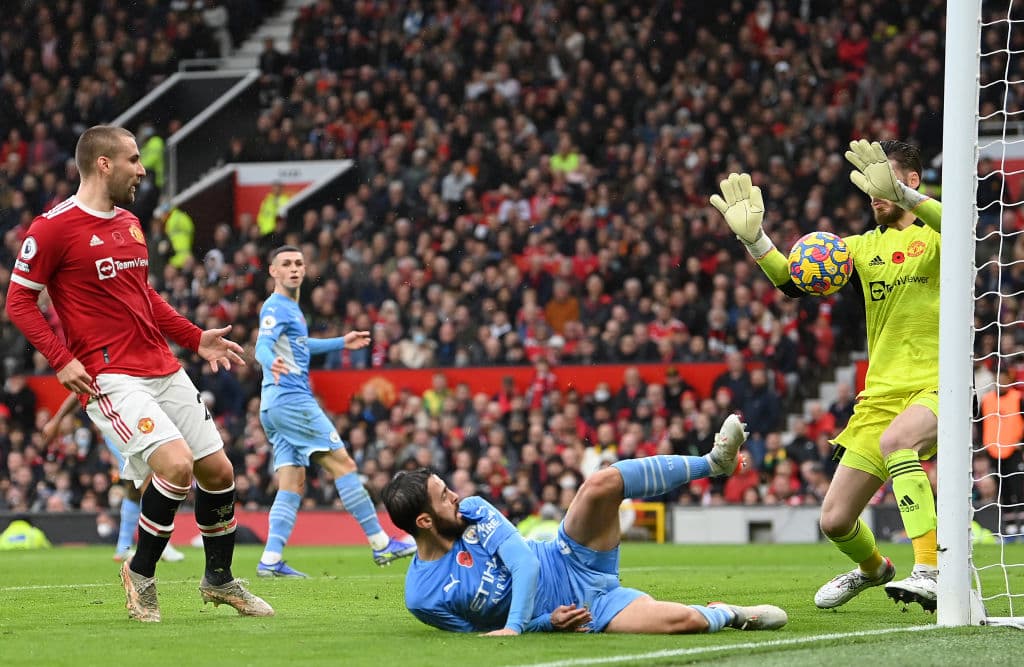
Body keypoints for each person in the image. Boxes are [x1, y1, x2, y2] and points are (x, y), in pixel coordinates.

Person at [5, 125, 272, 622]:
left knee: (219, 472)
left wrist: (194, 337)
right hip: (110, 376)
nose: (142, 169)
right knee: (175, 465)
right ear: (103, 163)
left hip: (162, 365)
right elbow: (19, 301)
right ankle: (140, 574)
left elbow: (143, 297)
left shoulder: (130, 222)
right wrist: (61, 359)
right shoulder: (52, 227)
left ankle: (219, 580)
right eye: (133, 159)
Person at [710, 140, 943, 611]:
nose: (872, 194)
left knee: (900, 444)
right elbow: (794, 282)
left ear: (910, 181)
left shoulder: (939, 235)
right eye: (869, 187)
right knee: (834, 521)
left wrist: (904, 196)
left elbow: (965, 226)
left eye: (881, 182)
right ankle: (875, 568)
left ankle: (931, 570)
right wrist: (756, 240)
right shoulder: (860, 247)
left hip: (938, 385)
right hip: (880, 396)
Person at [381, 414, 788, 635]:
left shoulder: (472, 508)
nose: (455, 495)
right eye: (443, 496)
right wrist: (546, 623)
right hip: (587, 610)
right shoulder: (423, 598)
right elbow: (477, 636)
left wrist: (517, 628)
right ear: (424, 520)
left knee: (601, 483)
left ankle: (712, 463)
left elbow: (526, 564)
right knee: (684, 622)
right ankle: (733, 614)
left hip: (569, 555)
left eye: (447, 487)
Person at [254, 245, 415, 577]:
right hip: (292, 401)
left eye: (299, 262)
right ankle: (380, 542)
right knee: (344, 464)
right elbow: (262, 346)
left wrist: (341, 342)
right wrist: (274, 363)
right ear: (274, 271)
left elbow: (301, 344)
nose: (294, 268)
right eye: (285, 264)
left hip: (273, 407)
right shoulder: (276, 307)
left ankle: (270, 560)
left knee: (292, 481)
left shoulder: (292, 309)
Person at [42, 392, 186, 562]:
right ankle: (159, 544)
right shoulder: (104, 374)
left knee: (133, 490)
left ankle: (123, 547)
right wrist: (59, 419)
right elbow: (80, 390)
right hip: (120, 431)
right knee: (147, 482)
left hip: (132, 430)